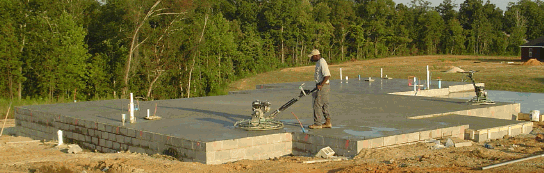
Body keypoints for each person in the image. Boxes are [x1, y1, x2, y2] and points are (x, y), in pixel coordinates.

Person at [307, 49, 331, 129]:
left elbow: (327, 75)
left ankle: (317, 123)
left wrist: (321, 85)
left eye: (312, 57)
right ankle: (328, 122)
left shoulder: (322, 62)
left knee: (317, 104)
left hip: (323, 86)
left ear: (316, 56)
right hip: (322, 85)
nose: (311, 59)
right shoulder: (318, 62)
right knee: (324, 104)